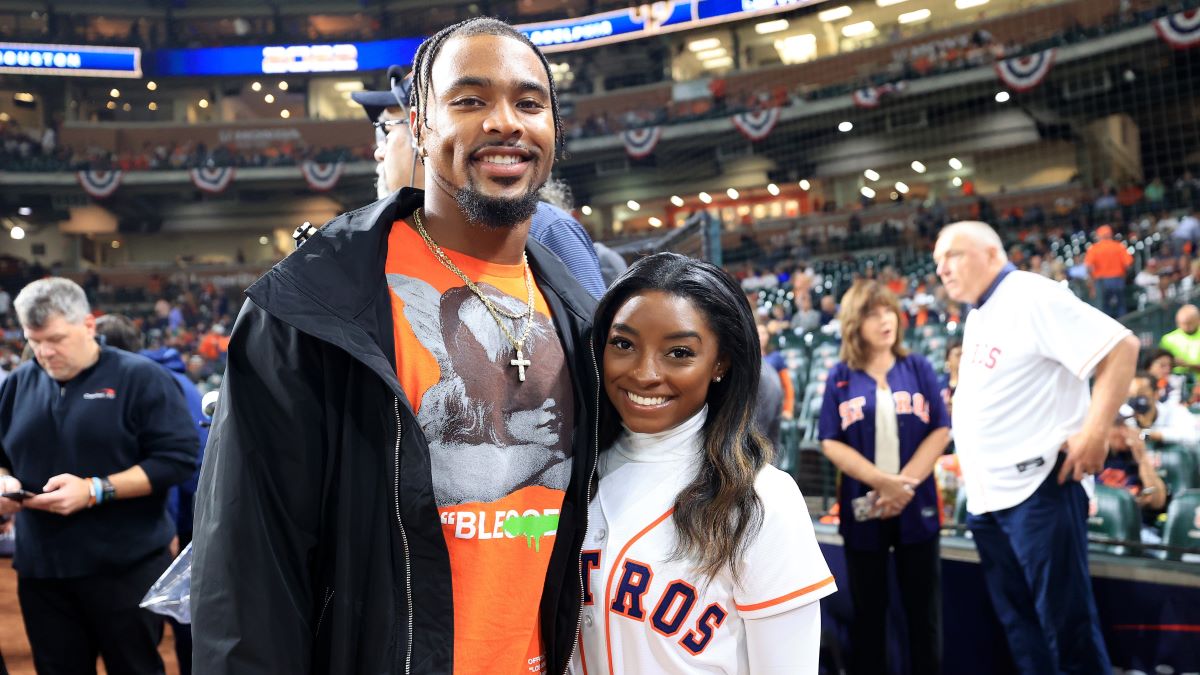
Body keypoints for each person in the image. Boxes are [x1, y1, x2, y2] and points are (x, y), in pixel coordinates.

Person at [193, 18, 600, 674]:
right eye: (469, 100)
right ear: (418, 121)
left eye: (529, 103)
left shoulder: (582, 315)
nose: (505, 122)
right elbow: (247, 569)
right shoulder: (312, 302)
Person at [574, 253, 835, 675]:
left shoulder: (763, 498)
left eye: (678, 352)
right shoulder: (569, 475)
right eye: (623, 344)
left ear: (721, 363)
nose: (644, 373)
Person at [934, 221, 1139, 674]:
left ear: (991, 253)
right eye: (937, 262)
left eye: (953, 255)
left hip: (1040, 490)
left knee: (1068, 631)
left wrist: (1095, 431)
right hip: (990, 497)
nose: (942, 269)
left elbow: (1122, 348)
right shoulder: (978, 311)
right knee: (1022, 629)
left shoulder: (1030, 294)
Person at [0, 278, 198, 675]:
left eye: (55, 338)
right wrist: (4, 482)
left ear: (88, 325)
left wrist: (96, 489)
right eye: (34, 340)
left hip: (123, 565)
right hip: (43, 569)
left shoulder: (141, 378)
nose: (44, 352)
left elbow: (178, 459)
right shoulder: (20, 383)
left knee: (134, 667)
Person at [352, 61, 608, 299]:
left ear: (419, 133)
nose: (379, 151)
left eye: (386, 131)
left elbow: (592, 344)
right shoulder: (407, 242)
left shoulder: (546, 229)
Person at [817, 280, 950, 675]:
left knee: (922, 615)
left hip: (917, 503)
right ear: (855, 324)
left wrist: (903, 485)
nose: (884, 320)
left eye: (889, 310)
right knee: (869, 615)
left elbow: (941, 428)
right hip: (864, 506)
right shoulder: (840, 376)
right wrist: (882, 482)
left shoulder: (918, 366)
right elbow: (830, 440)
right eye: (872, 314)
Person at [95, 313, 207, 675]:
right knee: (187, 616)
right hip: (196, 512)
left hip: (180, 518)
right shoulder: (173, 377)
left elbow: (169, 467)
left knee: (177, 615)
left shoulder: (146, 383)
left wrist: (168, 527)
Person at [1126, 371, 1198, 446]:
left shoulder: (1174, 411)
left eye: (1142, 393)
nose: (1136, 398)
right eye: (1132, 394)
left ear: (1156, 394)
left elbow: (1193, 435)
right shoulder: (1124, 414)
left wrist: (1151, 435)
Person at [1084, 224, 1133, 318]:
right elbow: (1128, 264)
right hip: (1118, 280)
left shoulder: (1094, 248)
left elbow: (1088, 267)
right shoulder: (1118, 246)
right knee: (1121, 306)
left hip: (1101, 281)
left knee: (1103, 309)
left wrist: (1092, 281)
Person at [1160, 304, 1200, 374]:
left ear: (1198, 320)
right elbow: (1160, 365)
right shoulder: (1168, 339)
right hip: (1173, 381)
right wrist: (1171, 362)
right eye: (1182, 323)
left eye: (1189, 323)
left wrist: (1188, 365)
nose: (1186, 326)